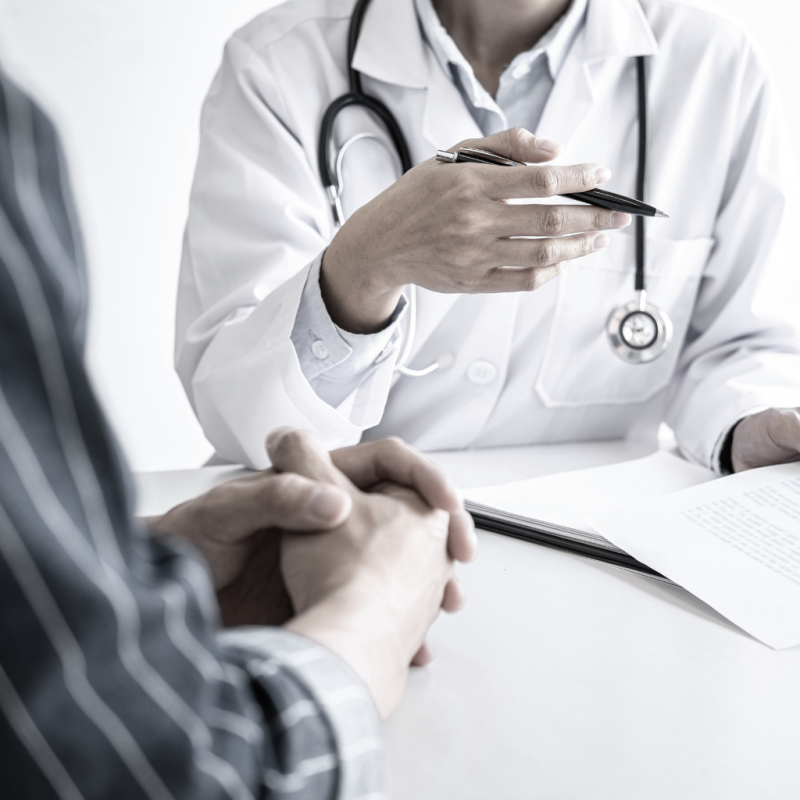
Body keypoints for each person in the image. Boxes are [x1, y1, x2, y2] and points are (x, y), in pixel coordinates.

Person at [0, 70, 476, 799]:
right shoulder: (273, 62)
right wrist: (373, 614)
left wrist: (137, 568)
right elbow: (164, 777)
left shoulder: (706, 52)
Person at [176, 0, 800, 476]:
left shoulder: (716, 64)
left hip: (595, 555)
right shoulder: (278, 63)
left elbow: (737, 345)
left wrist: (749, 425)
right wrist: (366, 263)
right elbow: (240, 413)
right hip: (342, 531)